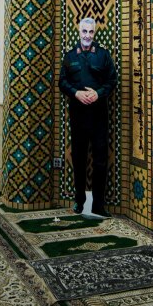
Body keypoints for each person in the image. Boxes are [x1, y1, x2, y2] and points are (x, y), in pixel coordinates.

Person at [58, 17, 118, 217]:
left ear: (94, 33)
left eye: (90, 32)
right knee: (79, 159)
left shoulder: (103, 55)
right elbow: (62, 82)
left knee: (101, 159)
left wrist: (98, 93)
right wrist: (76, 93)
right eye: (84, 32)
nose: (87, 36)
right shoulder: (69, 56)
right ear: (79, 31)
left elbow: (112, 80)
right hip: (78, 115)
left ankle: (98, 206)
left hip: (99, 115)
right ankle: (79, 202)